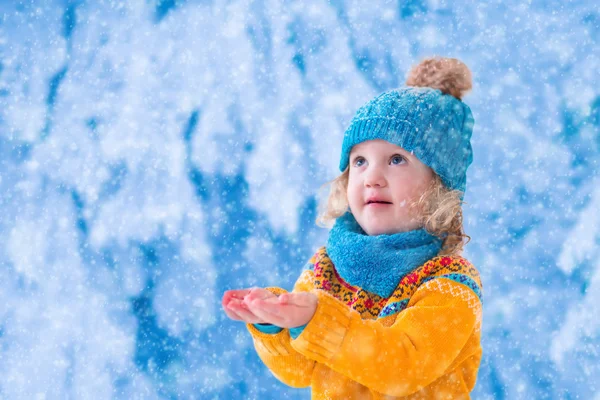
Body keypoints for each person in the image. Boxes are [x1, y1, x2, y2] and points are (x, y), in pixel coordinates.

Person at [222, 56, 483, 399]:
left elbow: (402, 366)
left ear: (438, 185)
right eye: (360, 161)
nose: (372, 177)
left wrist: (317, 318)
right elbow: (300, 370)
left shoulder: (450, 283)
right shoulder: (328, 267)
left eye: (396, 160)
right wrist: (276, 323)